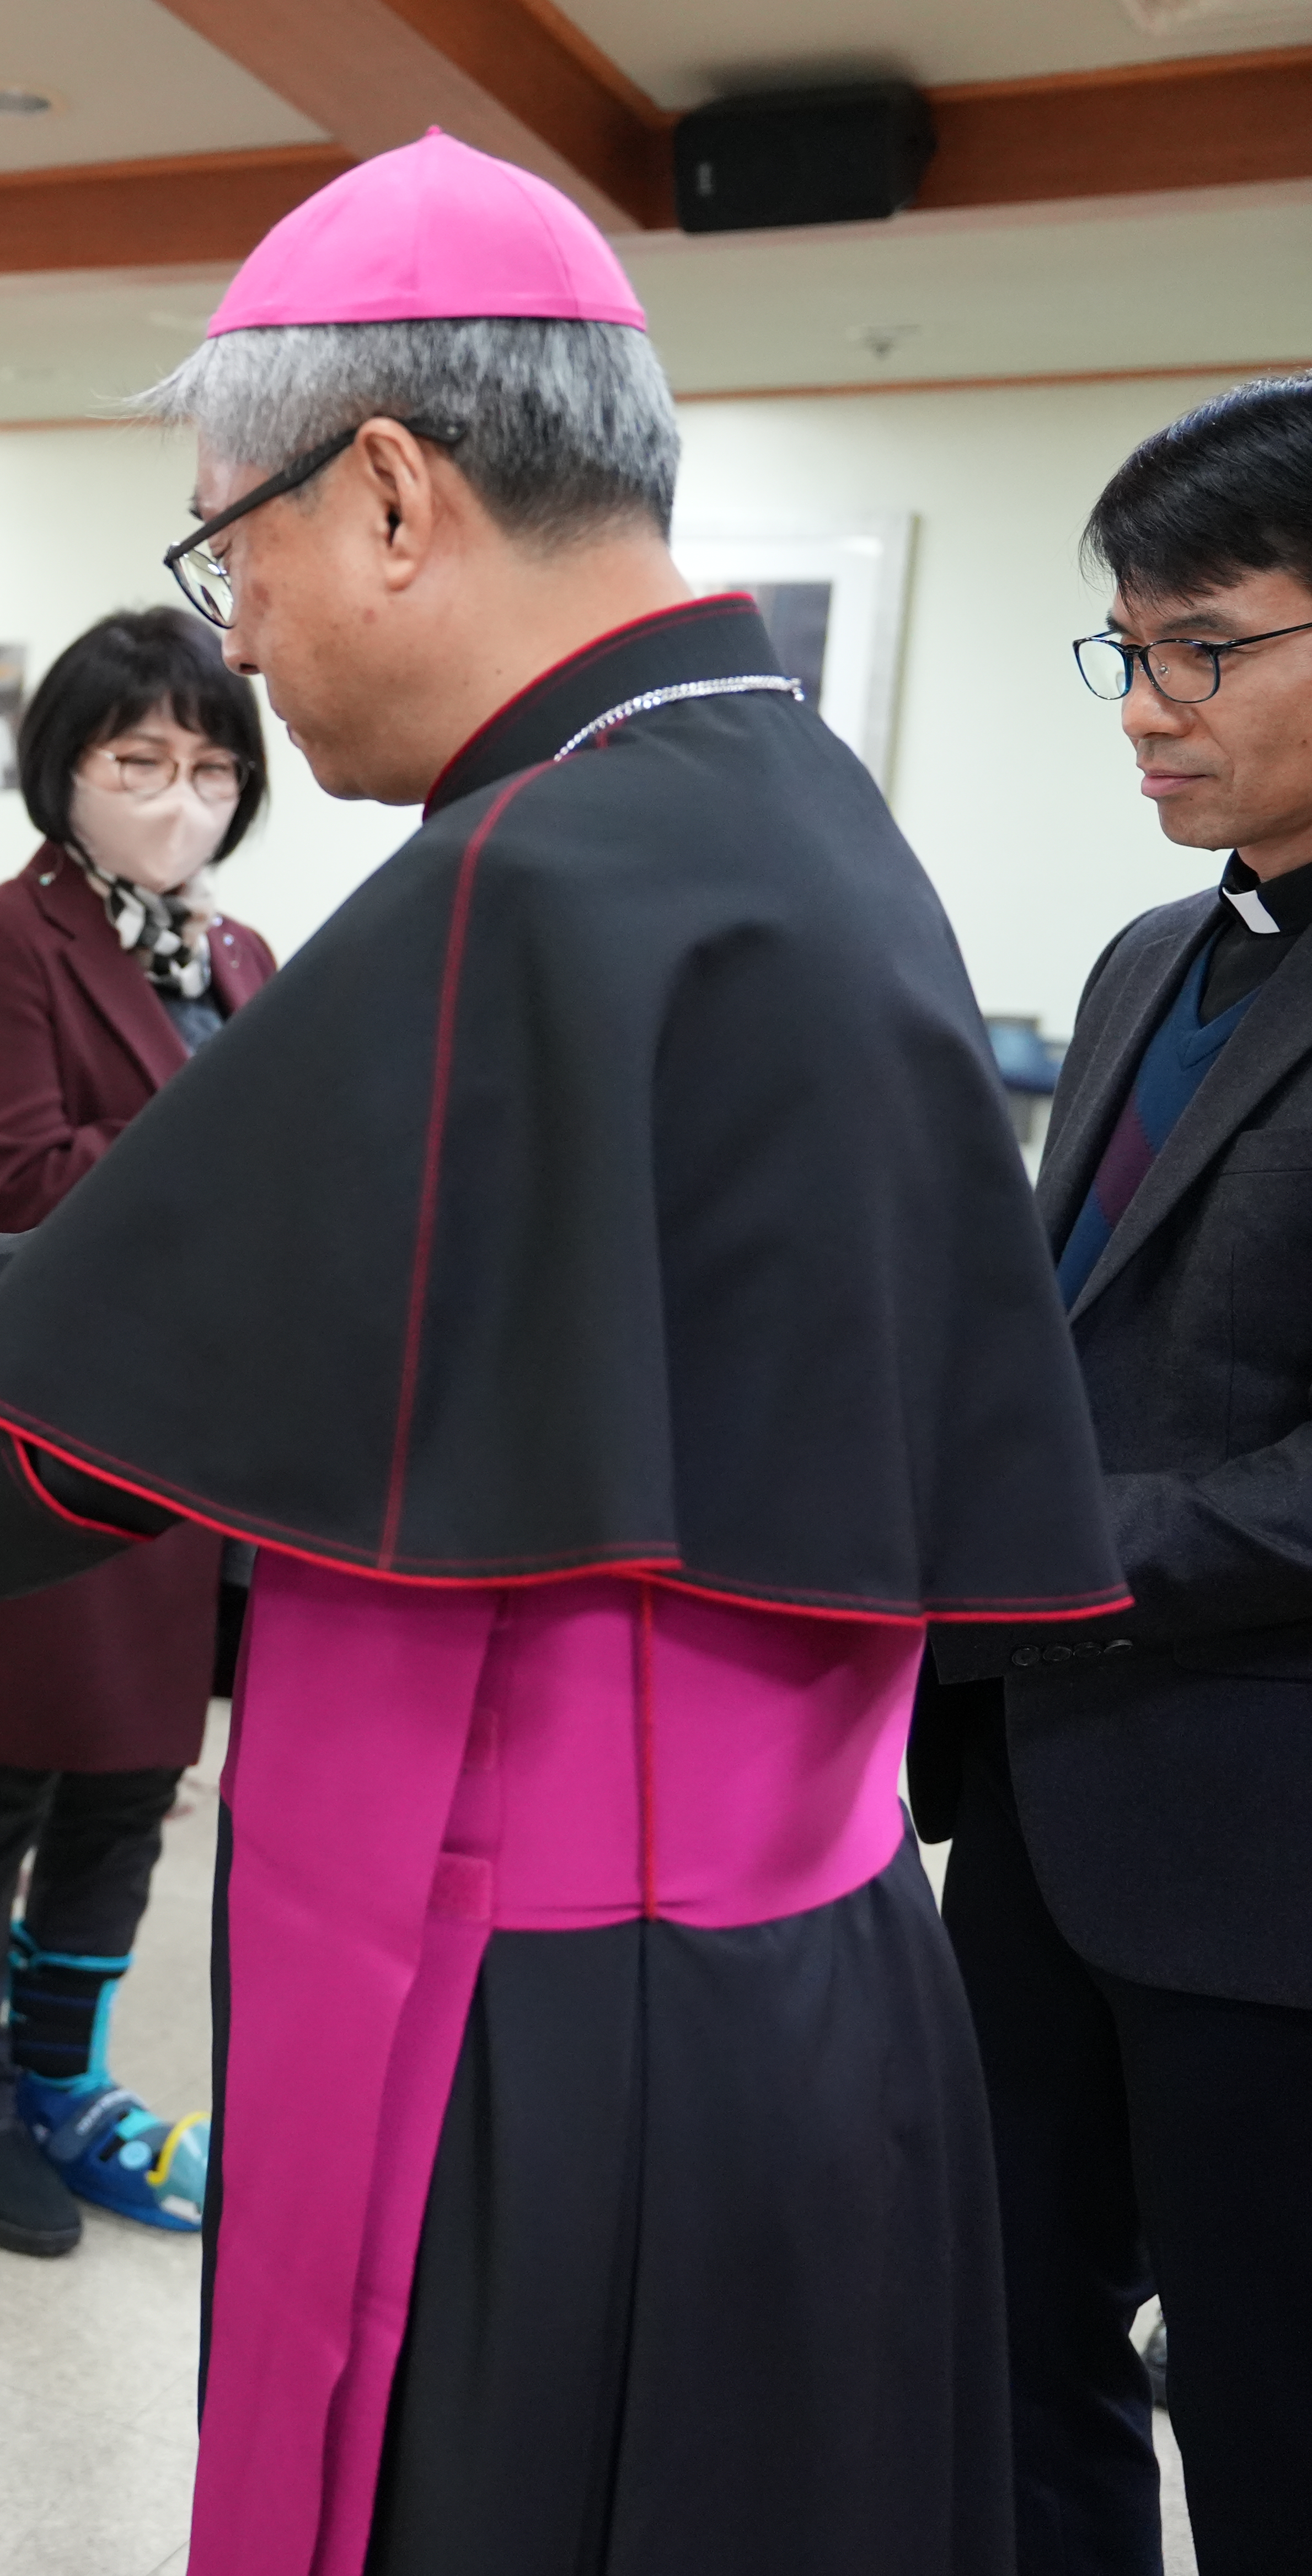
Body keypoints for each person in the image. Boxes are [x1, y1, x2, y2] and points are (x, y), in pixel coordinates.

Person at [0, 133, 1121, 2576]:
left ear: (395, 494)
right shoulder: (741, 795)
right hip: (768, 1959)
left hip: (560, 1998)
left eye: (230, 556)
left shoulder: (536, 871)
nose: (234, 641)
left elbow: (92, 1420)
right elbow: (229, 1260)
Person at [916, 373, 1312, 2576]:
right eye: (1130, 654)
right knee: (1012, 2356)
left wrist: (1043, 1548)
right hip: (1043, 1810)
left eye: (1212, 651)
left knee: (1268, 2404)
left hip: (1271, 1857)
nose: (1149, 710)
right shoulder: (1150, 954)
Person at [0, 606, 274, 2258]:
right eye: (138, 762)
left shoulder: (236, 955)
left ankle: (66, 2081)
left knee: (129, 1784)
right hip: (28, 1439)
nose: (175, 795)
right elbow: (15, 1187)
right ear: (64, 769)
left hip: (192, 1442)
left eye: (206, 766)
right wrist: (230, 1160)